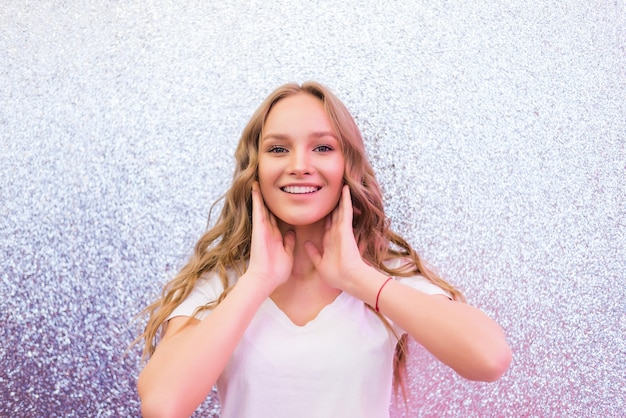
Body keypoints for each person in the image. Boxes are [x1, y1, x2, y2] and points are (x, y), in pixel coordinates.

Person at [136, 81, 512, 417]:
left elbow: (490, 359)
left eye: (322, 147)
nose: (300, 166)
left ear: (347, 165)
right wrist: (258, 281)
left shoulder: (382, 274)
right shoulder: (223, 283)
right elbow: (163, 405)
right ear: (255, 169)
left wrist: (358, 278)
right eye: (279, 148)